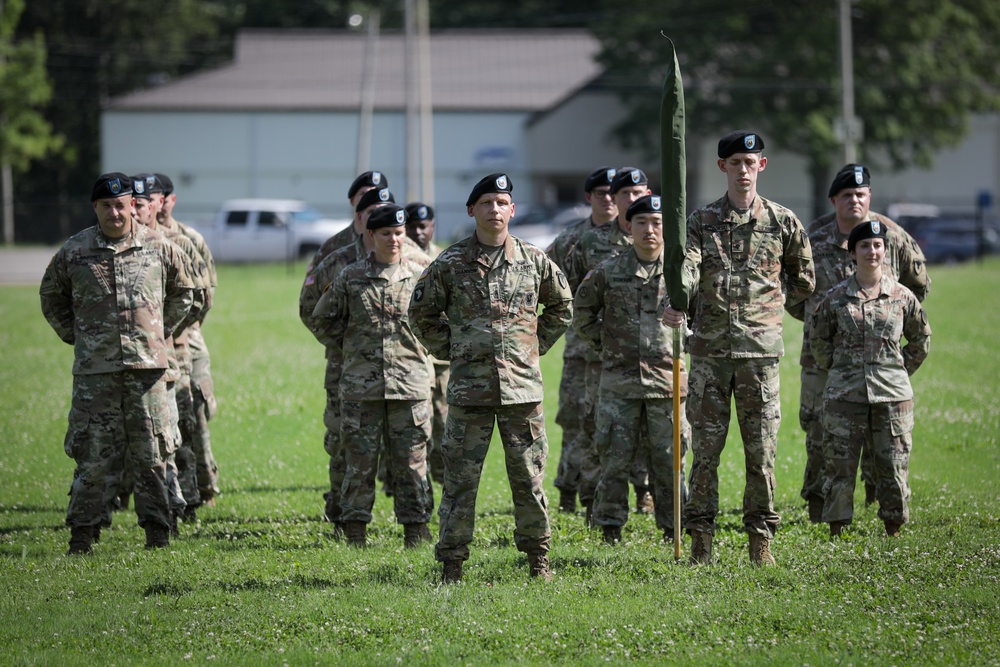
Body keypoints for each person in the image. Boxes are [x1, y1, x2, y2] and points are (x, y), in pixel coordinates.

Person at [408, 173, 573, 583]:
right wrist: (453, 350)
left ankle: (538, 559)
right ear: (471, 210)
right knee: (461, 484)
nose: (494, 210)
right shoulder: (450, 263)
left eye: (501, 202)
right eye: (486, 203)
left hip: (522, 393)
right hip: (469, 393)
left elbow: (562, 306)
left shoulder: (533, 260)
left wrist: (532, 348)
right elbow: (421, 314)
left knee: (529, 479)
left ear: (512, 210)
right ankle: (452, 564)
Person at [662, 131, 815, 566]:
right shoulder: (701, 221)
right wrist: (678, 299)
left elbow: (804, 280)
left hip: (760, 357)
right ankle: (701, 542)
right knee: (705, 454)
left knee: (761, 454)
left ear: (762, 166)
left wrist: (767, 305)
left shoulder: (783, 222)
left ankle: (760, 541)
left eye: (750, 162)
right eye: (735, 163)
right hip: (710, 356)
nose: (743, 171)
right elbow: (687, 268)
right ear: (722, 168)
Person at [39, 173, 194, 553]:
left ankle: (158, 532)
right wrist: (81, 338)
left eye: (120, 204)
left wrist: (156, 332)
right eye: (106, 206)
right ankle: (82, 534)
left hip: (148, 373)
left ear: (131, 205)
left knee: (153, 454)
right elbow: (51, 298)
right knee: (92, 456)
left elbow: (185, 293)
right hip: (96, 375)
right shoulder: (74, 252)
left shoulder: (159, 246)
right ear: (95, 208)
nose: (115, 212)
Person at [788, 164, 931, 522]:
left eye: (861, 194)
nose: (854, 200)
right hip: (821, 361)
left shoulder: (894, 237)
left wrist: (890, 339)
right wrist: (825, 333)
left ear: (869, 197)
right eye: (847, 195)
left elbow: (917, 288)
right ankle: (820, 504)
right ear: (834, 199)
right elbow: (792, 295)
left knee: (883, 433)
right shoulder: (812, 238)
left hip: (880, 360)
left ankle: (875, 498)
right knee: (821, 430)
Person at [311, 204, 434, 548]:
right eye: (385, 234)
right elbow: (322, 319)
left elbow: (440, 318)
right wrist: (351, 348)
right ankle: (355, 532)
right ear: (370, 235)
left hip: (409, 387)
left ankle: (416, 530)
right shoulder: (351, 276)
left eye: (398, 233)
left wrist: (425, 348)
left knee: (412, 463)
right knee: (359, 463)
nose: (393, 240)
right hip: (361, 388)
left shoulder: (422, 272)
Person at [574, 195, 690, 545]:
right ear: (629, 226)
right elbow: (581, 315)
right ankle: (609, 528)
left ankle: (674, 528)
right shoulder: (609, 271)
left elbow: (701, 314)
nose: (650, 230)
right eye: (641, 222)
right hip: (618, 384)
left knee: (670, 460)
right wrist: (607, 346)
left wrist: (686, 330)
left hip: (666, 385)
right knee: (613, 458)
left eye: (657, 223)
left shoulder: (682, 274)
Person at [810, 220, 931, 537]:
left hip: (892, 397)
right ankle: (837, 528)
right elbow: (818, 341)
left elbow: (921, 340)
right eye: (864, 245)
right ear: (853, 253)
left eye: (878, 245)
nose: (872, 251)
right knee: (839, 465)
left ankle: (893, 526)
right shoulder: (836, 298)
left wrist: (898, 371)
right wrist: (840, 370)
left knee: (893, 464)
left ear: (885, 250)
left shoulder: (902, 297)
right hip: (844, 396)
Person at [565, 167, 654, 524]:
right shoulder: (588, 242)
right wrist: (602, 339)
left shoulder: (660, 237)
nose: (632, 201)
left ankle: (646, 494)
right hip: (598, 358)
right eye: (624, 195)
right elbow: (571, 294)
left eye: (638, 194)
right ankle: (592, 500)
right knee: (597, 429)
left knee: (652, 430)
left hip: (653, 361)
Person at [545, 166, 618, 513]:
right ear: (589, 197)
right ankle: (568, 491)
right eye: (601, 192)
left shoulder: (640, 234)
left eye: (612, 192)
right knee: (575, 422)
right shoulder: (570, 240)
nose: (608, 198)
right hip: (581, 350)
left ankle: (643, 493)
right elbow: (545, 284)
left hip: (628, 351)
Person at [156, 172, 222, 510]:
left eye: (160, 197)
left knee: (194, 413)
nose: (154, 204)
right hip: (157, 346)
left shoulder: (188, 239)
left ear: (171, 199)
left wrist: (179, 330)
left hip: (187, 340)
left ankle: (203, 486)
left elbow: (204, 294)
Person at [405, 202, 449, 484]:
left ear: (433, 227)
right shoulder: (400, 259)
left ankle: (444, 477)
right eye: (413, 227)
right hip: (412, 359)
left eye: (424, 226)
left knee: (444, 422)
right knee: (413, 426)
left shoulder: (445, 259)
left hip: (441, 362)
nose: (419, 232)